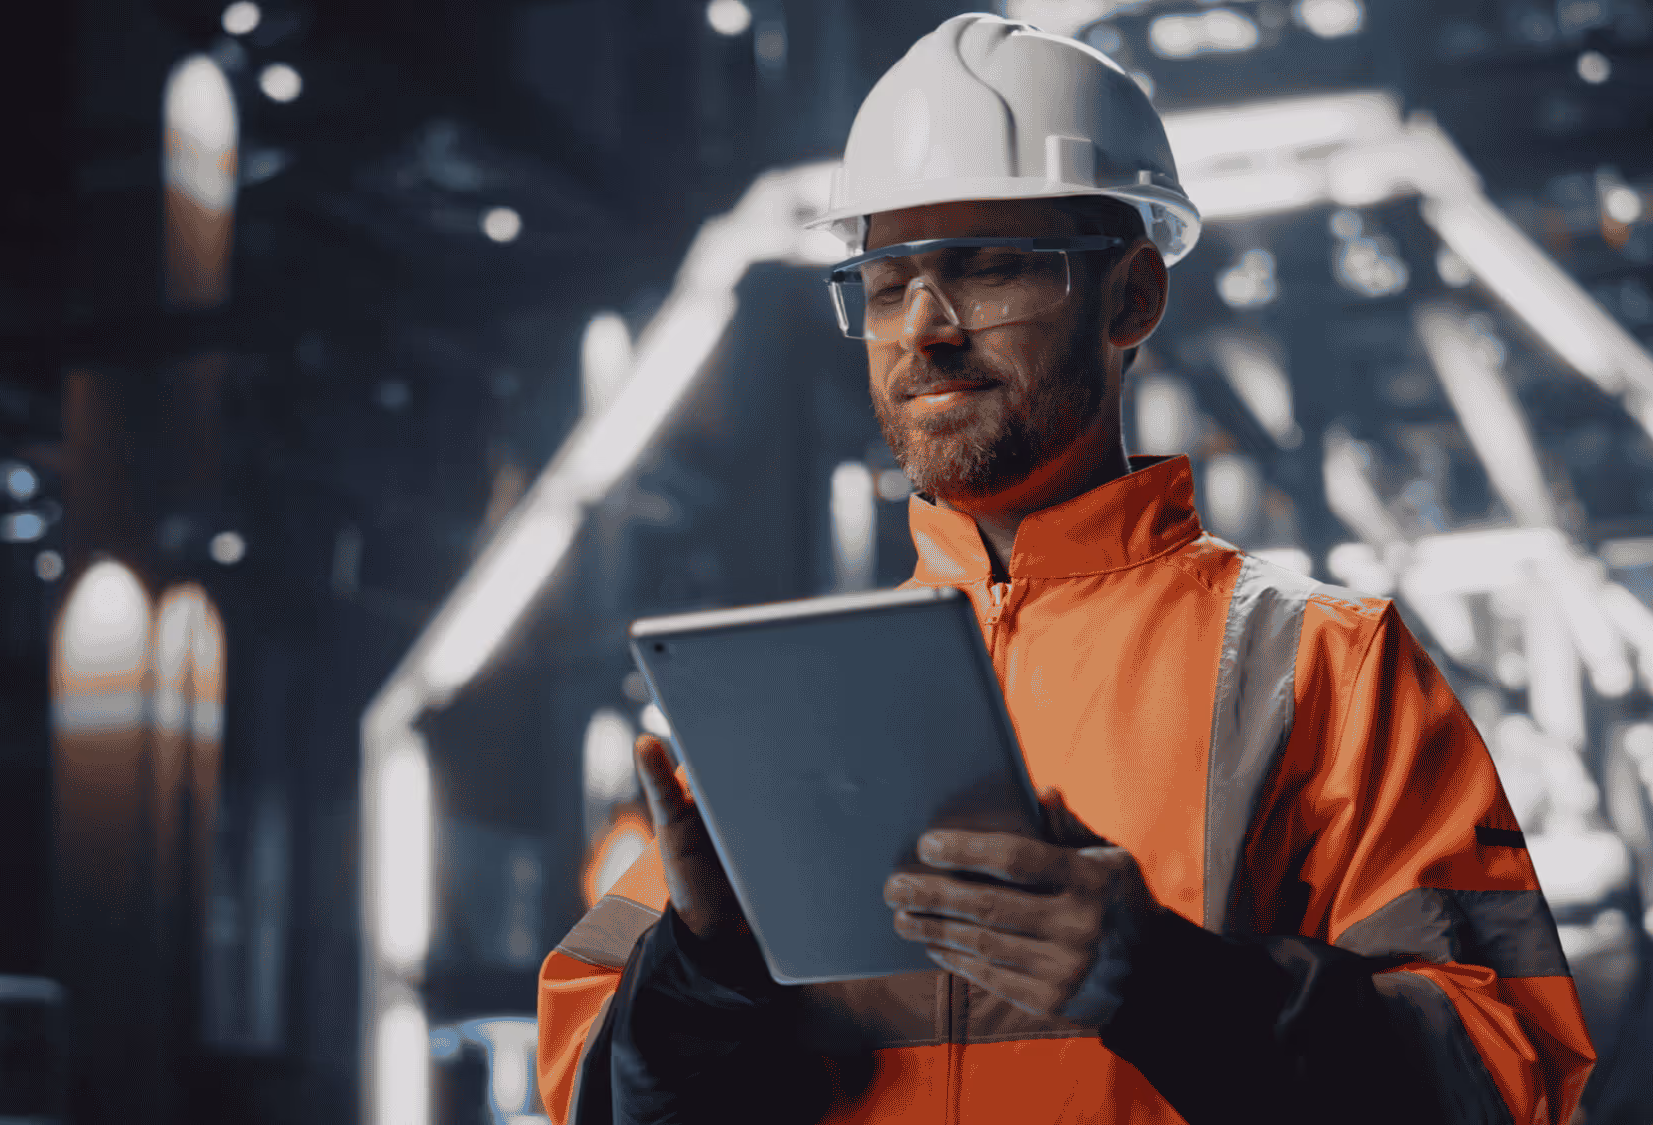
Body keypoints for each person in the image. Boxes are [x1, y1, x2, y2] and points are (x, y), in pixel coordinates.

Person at [537, 13, 1594, 1124]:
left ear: (1131, 298)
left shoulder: (1320, 669)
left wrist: (1172, 988)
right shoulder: (790, 706)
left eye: (989, 270)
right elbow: (585, 1093)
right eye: (887, 283)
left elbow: (1502, 1079)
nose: (924, 331)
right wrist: (698, 974)